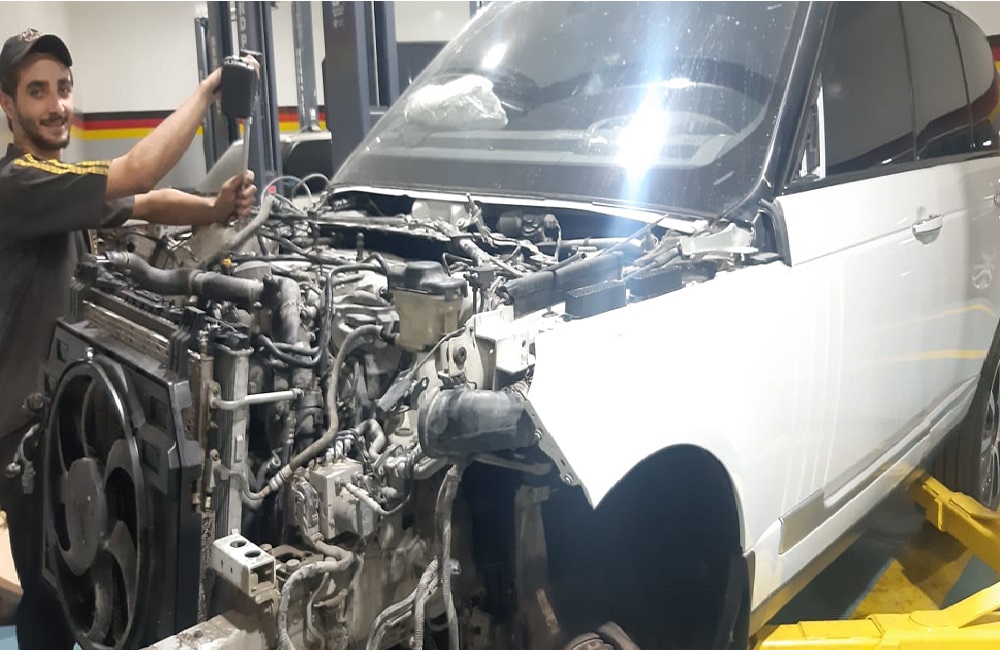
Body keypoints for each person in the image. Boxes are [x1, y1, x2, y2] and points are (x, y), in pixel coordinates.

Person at [0, 28, 258, 648]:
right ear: (7, 104)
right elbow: (138, 169)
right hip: (28, 436)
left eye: (63, 88)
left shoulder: (54, 183)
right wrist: (210, 90)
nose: (57, 105)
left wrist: (214, 209)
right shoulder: (18, 185)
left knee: (79, 579)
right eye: (37, 91)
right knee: (54, 591)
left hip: (66, 410)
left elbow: (143, 201)